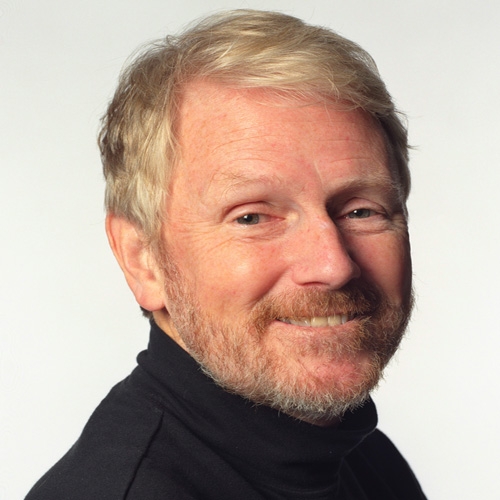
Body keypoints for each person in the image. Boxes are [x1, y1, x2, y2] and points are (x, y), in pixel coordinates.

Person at [25, 9, 426, 500]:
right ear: (142, 259)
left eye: (362, 211)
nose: (333, 265)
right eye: (252, 217)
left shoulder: (366, 460)